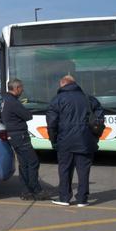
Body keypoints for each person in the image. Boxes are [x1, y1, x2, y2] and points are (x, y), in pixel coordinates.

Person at [46, 75, 104, 207]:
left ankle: (64, 198)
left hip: (65, 141)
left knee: (65, 170)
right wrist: (94, 136)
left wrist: (53, 140)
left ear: (62, 84)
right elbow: (99, 117)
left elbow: (51, 123)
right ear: (74, 84)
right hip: (86, 140)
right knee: (83, 170)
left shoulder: (57, 100)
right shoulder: (89, 98)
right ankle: (82, 199)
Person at [1, 79, 45, 200]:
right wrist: (27, 112)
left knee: (24, 164)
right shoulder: (13, 102)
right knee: (33, 162)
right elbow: (27, 116)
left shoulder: (6, 100)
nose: (23, 90)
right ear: (16, 88)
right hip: (20, 136)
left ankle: (26, 191)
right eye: (21, 88)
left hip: (14, 136)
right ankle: (36, 190)